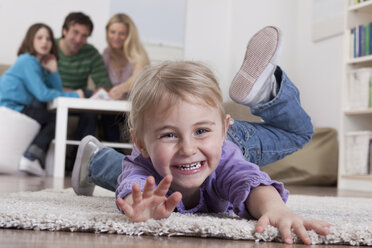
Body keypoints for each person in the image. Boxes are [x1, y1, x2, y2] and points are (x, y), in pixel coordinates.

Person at [73, 26, 330, 245]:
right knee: (120, 170)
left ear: (223, 128)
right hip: (199, 139)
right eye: (169, 135)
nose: (187, 148)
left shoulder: (226, 153)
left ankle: (268, 90)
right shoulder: (143, 163)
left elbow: (248, 181)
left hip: (231, 142)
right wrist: (136, 203)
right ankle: (95, 158)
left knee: (300, 133)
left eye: (199, 131)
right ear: (140, 142)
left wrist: (276, 210)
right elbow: (134, 185)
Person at [0, 23, 84, 176]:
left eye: (48, 39)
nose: (45, 42)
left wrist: (53, 71)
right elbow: (43, 94)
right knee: (56, 118)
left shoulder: (38, 65)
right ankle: (31, 157)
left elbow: (56, 92)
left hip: (19, 107)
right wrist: (76, 94)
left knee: (49, 111)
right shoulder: (27, 60)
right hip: (9, 107)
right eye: (39, 37)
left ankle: (32, 157)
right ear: (30, 40)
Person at [56, 12, 112, 148]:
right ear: (64, 31)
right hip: (53, 97)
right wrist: (71, 92)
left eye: (84, 36)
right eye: (75, 32)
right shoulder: (49, 47)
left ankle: (80, 161)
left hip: (78, 100)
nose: (78, 39)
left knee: (91, 105)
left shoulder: (91, 53)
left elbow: (104, 84)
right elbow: (40, 86)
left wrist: (99, 91)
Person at [101, 13, 150, 142]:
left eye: (121, 33)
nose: (116, 37)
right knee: (106, 116)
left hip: (133, 107)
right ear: (107, 32)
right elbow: (101, 80)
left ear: (129, 35)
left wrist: (121, 89)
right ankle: (116, 155)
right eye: (112, 32)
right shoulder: (106, 54)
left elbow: (137, 78)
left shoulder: (138, 54)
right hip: (113, 107)